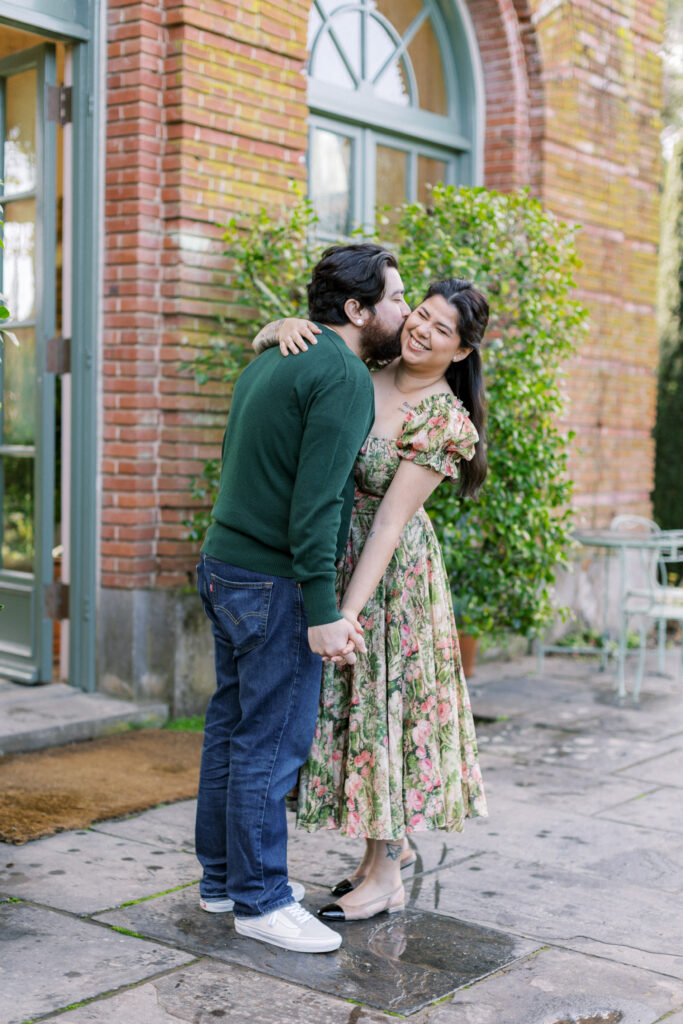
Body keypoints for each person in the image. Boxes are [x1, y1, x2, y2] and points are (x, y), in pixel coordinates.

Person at [195, 243, 410, 953]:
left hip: (224, 566)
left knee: (229, 730)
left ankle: (222, 882)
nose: (404, 312)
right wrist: (323, 610)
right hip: (273, 583)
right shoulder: (342, 375)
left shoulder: (275, 355)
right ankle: (260, 902)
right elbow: (315, 507)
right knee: (267, 743)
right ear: (357, 309)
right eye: (396, 299)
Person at [253, 278, 489, 923]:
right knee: (358, 710)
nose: (423, 330)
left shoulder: (443, 418)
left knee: (389, 709)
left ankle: (386, 877)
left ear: (462, 351)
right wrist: (278, 327)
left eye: (443, 330)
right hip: (335, 552)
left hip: (390, 578)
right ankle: (375, 858)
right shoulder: (370, 365)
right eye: (421, 315)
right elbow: (316, 344)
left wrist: (346, 611)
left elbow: (388, 523)